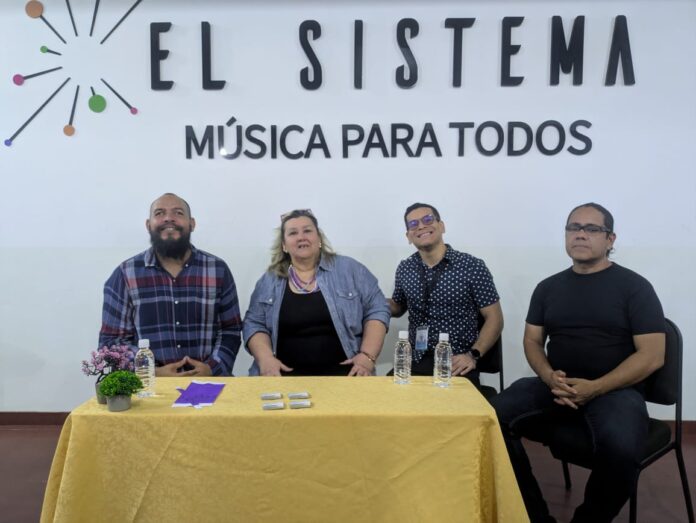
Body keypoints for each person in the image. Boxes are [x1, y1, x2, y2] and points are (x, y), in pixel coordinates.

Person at [491, 203, 666, 523]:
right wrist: (546, 375)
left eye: (592, 229)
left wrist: (596, 387)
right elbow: (532, 341)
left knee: (623, 451)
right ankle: (535, 516)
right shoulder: (548, 287)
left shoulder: (634, 287)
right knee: (491, 420)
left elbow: (652, 355)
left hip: (615, 390)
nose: (581, 235)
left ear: (610, 239)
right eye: (574, 228)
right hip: (556, 385)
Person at [99, 193, 242, 376]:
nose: (168, 218)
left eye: (178, 213)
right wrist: (152, 371)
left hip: (209, 385)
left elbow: (231, 330)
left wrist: (212, 368)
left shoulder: (217, 270)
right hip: (149, 388)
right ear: (148, 225)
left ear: (192, 224)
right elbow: (111, 341)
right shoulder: (125, 274)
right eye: (159, 213)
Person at [243, 209, 390, 376]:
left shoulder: (350, 270)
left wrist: (367, 356)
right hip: (282, 378)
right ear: (284, 245)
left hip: (347, 376)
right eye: (293, 233)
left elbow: (377, 309)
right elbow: (254, 323)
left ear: (318, 238)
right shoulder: (268, 281)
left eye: (307, 230)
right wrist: (265, 359)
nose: (301, 237)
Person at [388, 203, 503, 385]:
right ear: (408, 236)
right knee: (385, 401)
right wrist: (370, 299)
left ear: (441, 226)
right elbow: (398, 306)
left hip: (456, 361)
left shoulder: (472, 266)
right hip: (414, 360)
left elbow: (495, 318)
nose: (421, 226)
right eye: (413, 224)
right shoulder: (405, 268)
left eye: (428, 219)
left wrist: (472, 355)